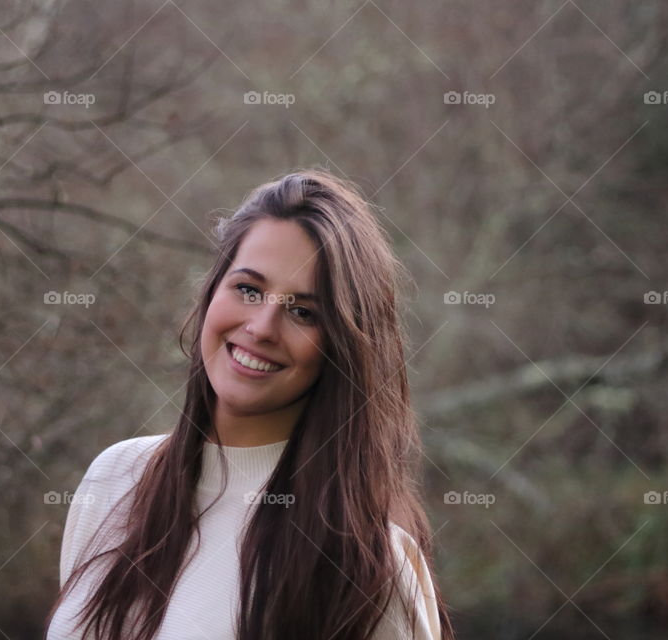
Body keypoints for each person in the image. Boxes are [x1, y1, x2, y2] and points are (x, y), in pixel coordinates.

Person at [45, 168, 454, 640]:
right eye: (248, 289)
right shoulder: (114, 480)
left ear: (341, 349)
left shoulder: (368, 566)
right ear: (211, 292)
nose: (261, 327)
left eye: (302, 312)